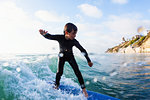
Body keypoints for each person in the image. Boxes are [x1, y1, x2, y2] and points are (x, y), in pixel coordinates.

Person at [39, 23, 93, 97]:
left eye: (75, 34)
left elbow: (82, 50)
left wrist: (88, 60)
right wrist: (44, 34)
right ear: (67, 33)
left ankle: (84, 90)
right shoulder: (60, 37)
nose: (75, 35)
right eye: (73, 33)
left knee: (77, 72)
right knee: (59, 72)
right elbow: (50, 36)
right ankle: (56, 85)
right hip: (62, 56)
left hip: (70, 56)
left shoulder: (74, 41)